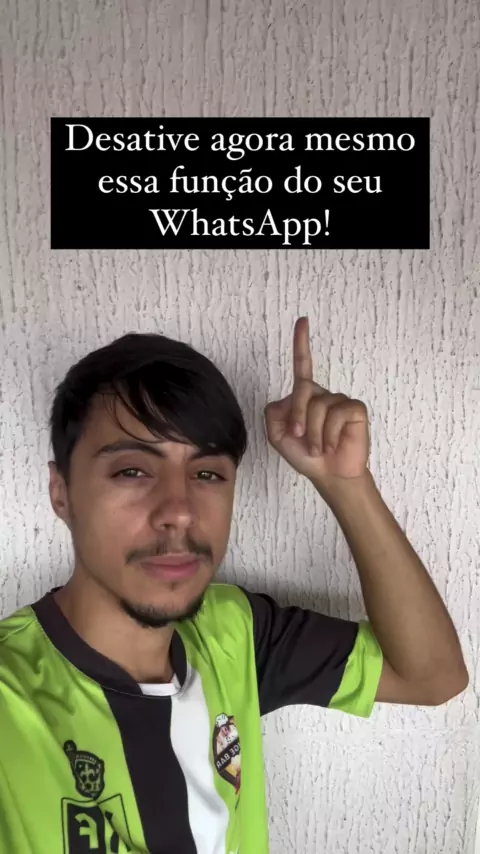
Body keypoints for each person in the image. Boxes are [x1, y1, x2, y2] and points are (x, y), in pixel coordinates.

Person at [0, 316, 468, 854]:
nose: (179, 510)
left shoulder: (235, 633)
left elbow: (433, 676)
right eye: (132, 471)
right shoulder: (11, 701)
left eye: (207, 474)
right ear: (61, 492)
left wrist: (346, 484)